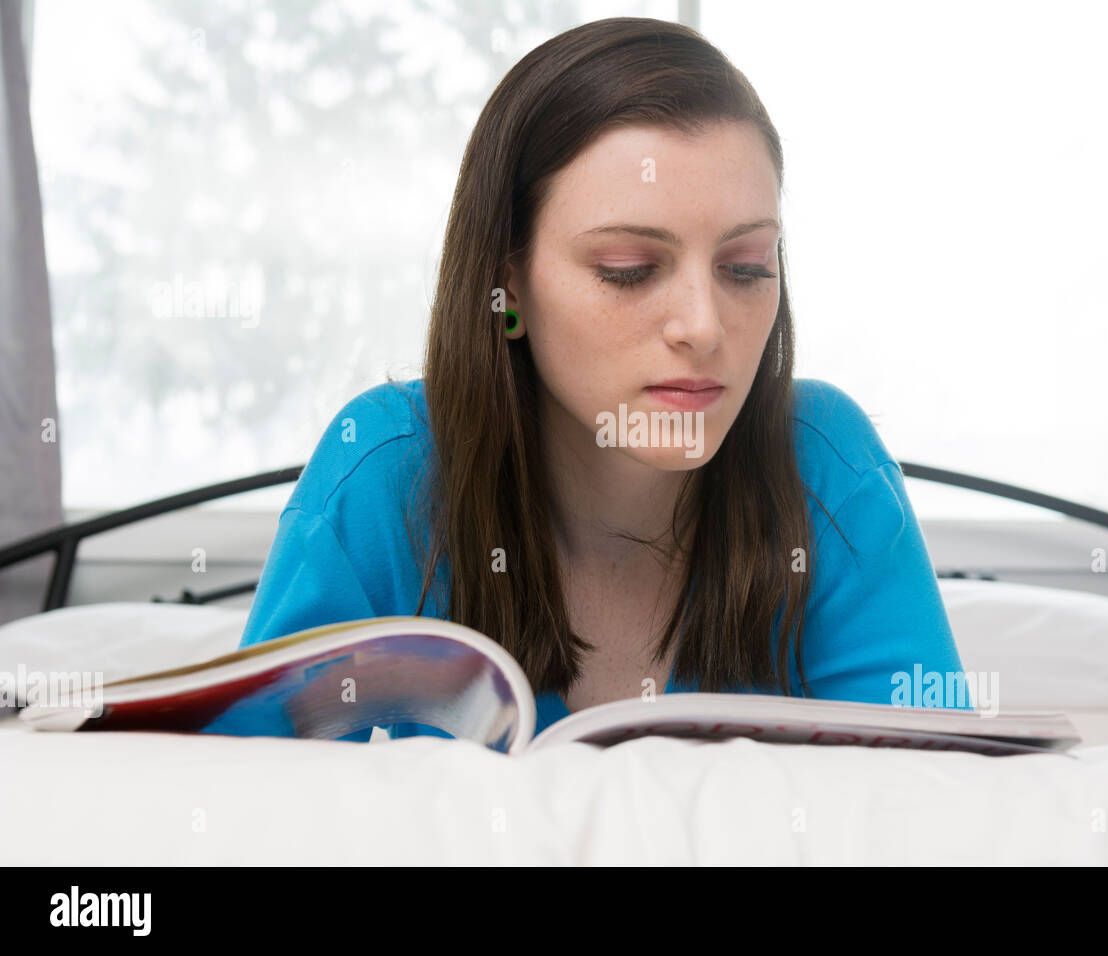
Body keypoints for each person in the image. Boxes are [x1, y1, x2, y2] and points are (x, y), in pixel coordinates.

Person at [237, 17, 969, 743]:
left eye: (746, 267)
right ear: (508, 286)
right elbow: (262, 809)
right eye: (629, 270)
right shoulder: (382, 480)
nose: (703, 326)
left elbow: (933, 803)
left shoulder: (827, 469)